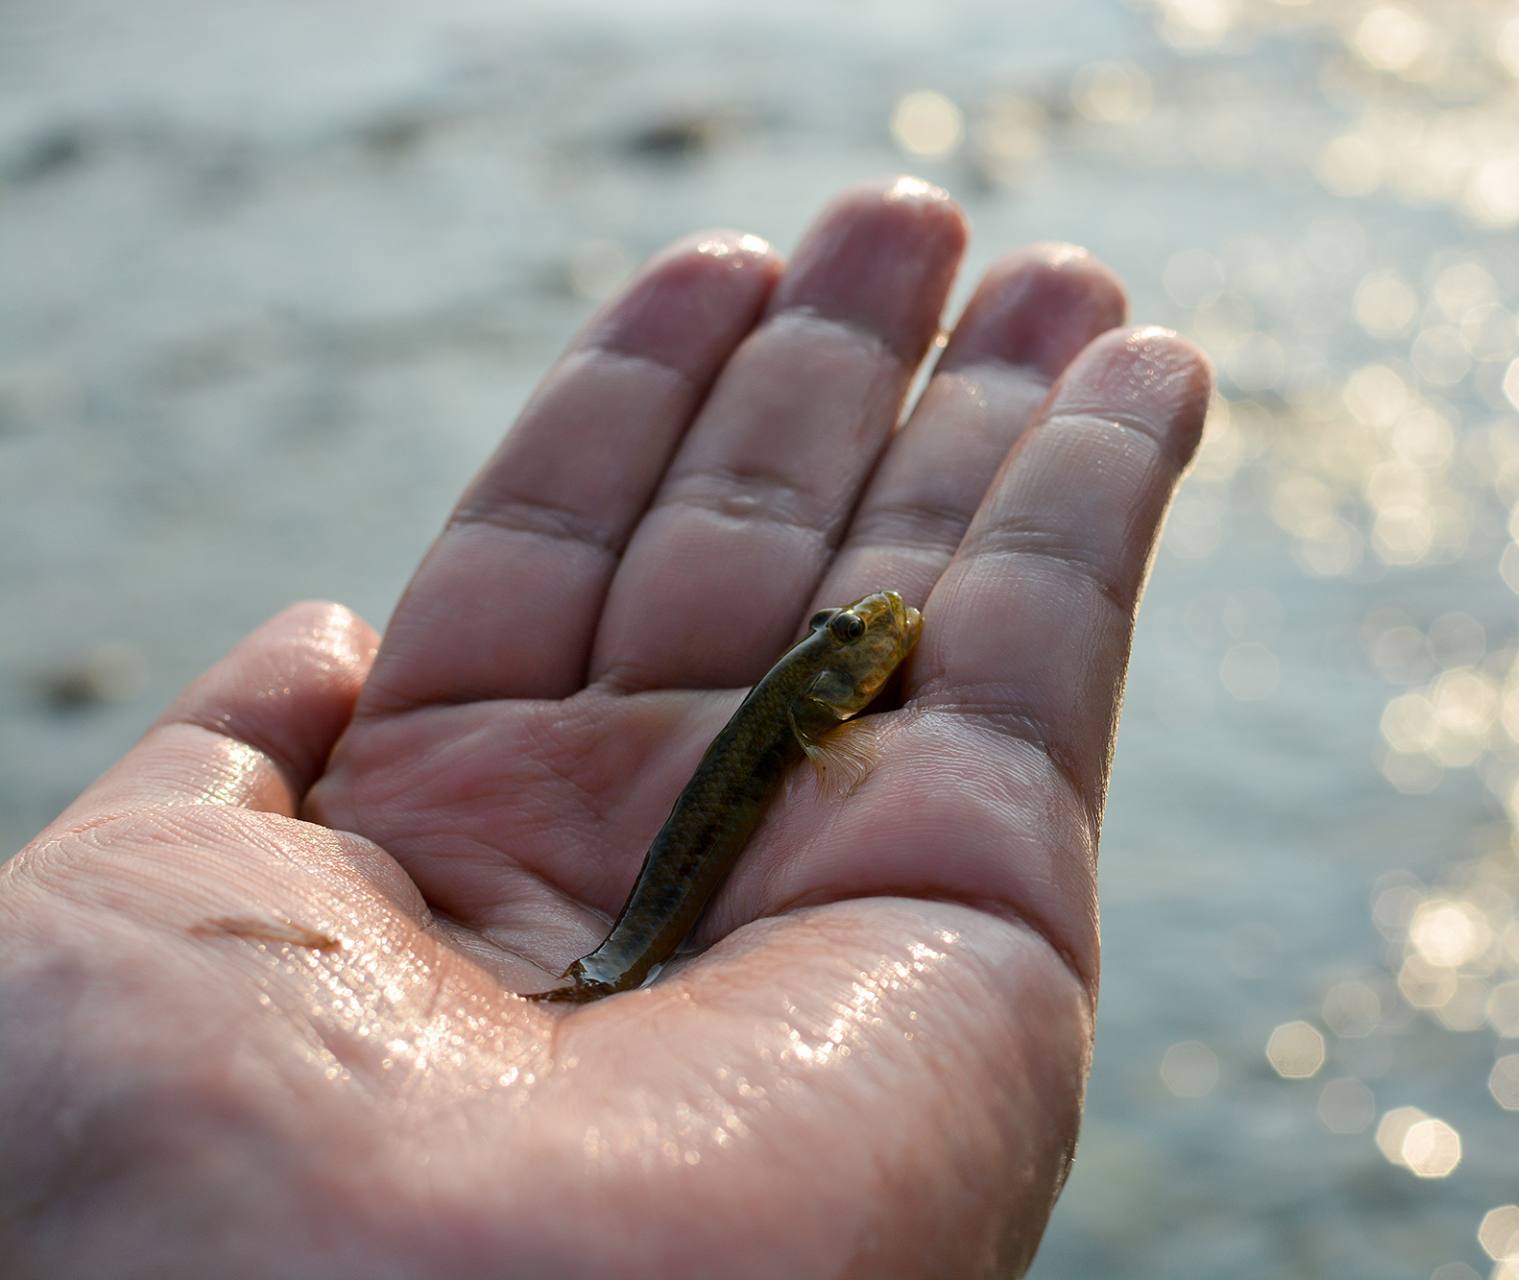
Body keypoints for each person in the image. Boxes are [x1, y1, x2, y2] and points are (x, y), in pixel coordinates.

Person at [0, 177, 1211, 1277]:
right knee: (628, 939)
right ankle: (600, 976)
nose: (878, 628)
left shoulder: (804, 713)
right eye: (848, 633)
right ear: (818, 687)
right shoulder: (804, 712)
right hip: (614, 955)